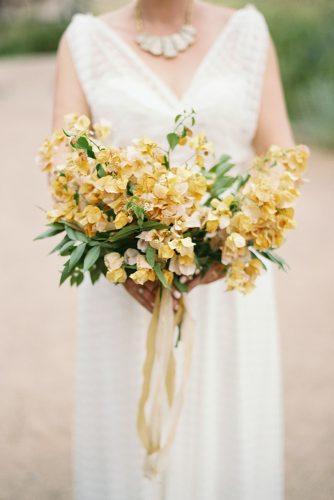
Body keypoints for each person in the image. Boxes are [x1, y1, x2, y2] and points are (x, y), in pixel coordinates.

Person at [53, 1, 294, 498]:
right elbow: (64, 171)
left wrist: (226, 244)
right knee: (128, 431)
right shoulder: (84, 42)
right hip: (124, 285)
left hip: (228, 283)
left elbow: (279, 162)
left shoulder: (247, 33)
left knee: (229, 427)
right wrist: (123, 262)